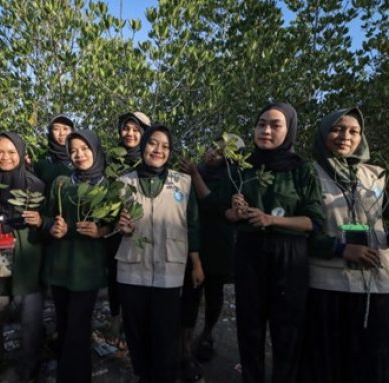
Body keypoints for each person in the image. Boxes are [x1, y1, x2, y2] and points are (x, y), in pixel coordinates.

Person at [202, 103, 324, 383]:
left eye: (275, 125)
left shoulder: (301, 169)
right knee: (249, 328)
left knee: (287, 331)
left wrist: (271, 220)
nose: (266, 130)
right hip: (249, 251)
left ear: (290, 129)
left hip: (290, 256)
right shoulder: (243, 167)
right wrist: (236, 210)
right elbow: (226, 211)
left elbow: (313, 221)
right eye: (260, 124)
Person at [300, 107, 389, 383]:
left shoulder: (377, 175)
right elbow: (303, 228)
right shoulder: (309, 173)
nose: (345, 137)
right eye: (337, 129)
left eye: (353, 131)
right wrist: (341, 249)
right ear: (325, 132)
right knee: (329, 361)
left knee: (371, 359)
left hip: (376, 280)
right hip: (329, 281)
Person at [116, 125, 203, 383]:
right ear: (143, 146)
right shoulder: (123, 182)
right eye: (153, 143)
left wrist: (196, 263)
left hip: (169, 270)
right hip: (132, 268)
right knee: (136, 331)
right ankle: (143, 374)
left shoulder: (183, 182)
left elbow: (193, 225)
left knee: (165, 331)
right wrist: (121, 227)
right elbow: (111, 224)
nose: (159, 150)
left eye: (165, 146)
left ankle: (163, 376)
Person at [0, 132, 45, 382]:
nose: (6, 157)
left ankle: (31, 368)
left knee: (31, 317)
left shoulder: (36, 185)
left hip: (27, 256)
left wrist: (40, 221)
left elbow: (48, 227)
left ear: (22, 154)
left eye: (12, 152)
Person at [42, 129, 111, 383]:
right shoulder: (61, 183)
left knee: (78, 329)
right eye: (73, 150)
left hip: (87, 268)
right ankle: (66, 372)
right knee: (63, 324)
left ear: (95, 150)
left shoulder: (108, 186)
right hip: (61, 265)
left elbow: (116, 226)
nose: (79, 155)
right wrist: (54, 226)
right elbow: (48, 216)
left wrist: (100, 230)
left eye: (84, 149)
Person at [178, 134, 245, 382]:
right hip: (194, 240)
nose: (212, 153)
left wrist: (195, 176)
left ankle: (206, 334)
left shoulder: (234, 177)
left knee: (214, 293)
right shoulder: (197, 170)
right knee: (190, 295)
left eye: (220, 151)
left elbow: (216, 204)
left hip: (219, 245)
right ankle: (184, 351)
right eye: (211, 147)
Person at [105, 111, 150, 348]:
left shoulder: (150, 157)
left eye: (136, 129)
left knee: (139, 274)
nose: (130, 133)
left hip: (143, 226)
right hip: (115, 226)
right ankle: (115, 317)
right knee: (115, 273)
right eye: (126, 128)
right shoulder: (112, 158)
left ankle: (135, 320)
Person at [34, 114, 75, 187]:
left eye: (65, 129)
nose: (61, 133)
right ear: (50, 132)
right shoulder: (42, 159)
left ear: (72, 132)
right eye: (56, 129)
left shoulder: (81, 157)